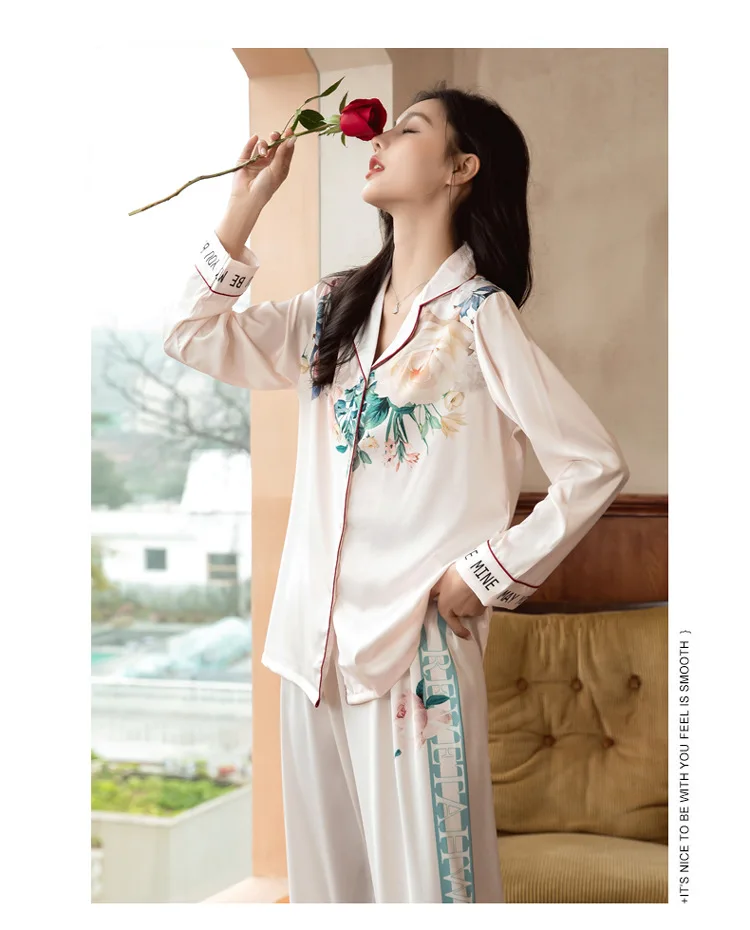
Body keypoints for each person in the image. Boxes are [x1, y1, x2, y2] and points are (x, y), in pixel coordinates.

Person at [163, 81, 630, 903]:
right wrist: (246, 203)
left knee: (429, 898)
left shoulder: (477, 317)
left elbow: (592, 466)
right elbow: (193, 336)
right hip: (308, 652)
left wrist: (484, 573)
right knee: (330, 898)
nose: (377, 141)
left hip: (414, 654)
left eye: (409, 129)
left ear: (461, 168)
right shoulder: (334, 309)